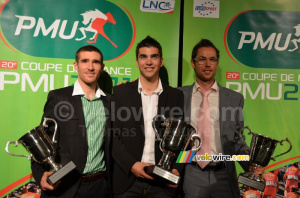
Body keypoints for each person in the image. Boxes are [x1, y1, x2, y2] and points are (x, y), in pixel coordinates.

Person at [178, 39, 264, 198]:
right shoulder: (178, 95)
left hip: (224, 175)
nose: (207, 64)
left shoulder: (234, 98)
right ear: (193, 63)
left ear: (217, 63)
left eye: (212, 59)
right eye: (202, 59)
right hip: (190, 173)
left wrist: (251, 165)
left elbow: (238, 140)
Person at [31, 45, 111, 198]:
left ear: (102, 67)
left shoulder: (110, 101)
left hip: (100, 188)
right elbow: (42, 144)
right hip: (64, 187)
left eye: (96, 62)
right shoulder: (58, 98)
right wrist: (41, 174)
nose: (90, 67)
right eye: (85, 61)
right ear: (76, 65)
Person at [111, 36, 184, 197]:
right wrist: (131, 165)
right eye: (143, 57)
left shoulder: (175, 96)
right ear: (137, 62)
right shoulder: (120, 93)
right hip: (127, 181)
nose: (149, 62)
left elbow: (182, 140)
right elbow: (112, 137)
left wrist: (176, 170)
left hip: (162, 183)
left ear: (161, 61)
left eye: (154, 56)